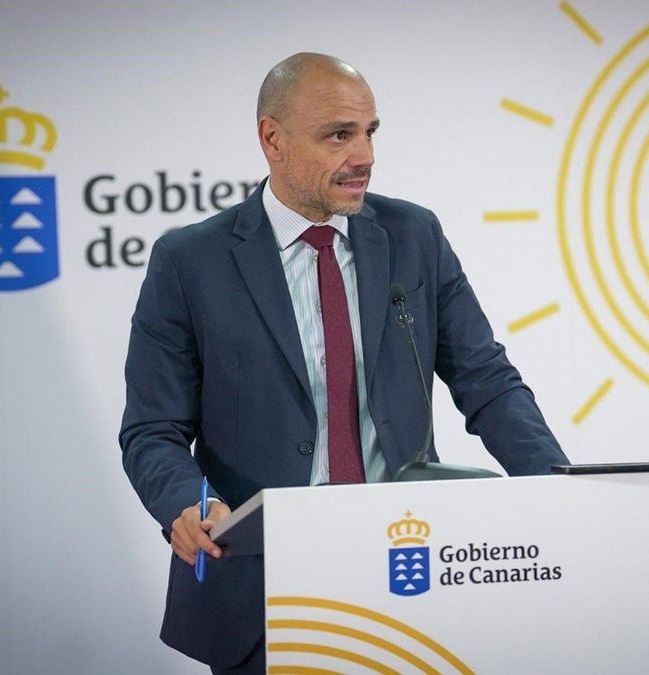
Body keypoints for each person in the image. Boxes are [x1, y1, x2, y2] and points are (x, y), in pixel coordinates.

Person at [119, 52, 569, 673]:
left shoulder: (414, 235)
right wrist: (189, 505)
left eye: (370, 132)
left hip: (412, 578)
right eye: (339, 135)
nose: (365, 156)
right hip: (262, 591)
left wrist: (557, 487)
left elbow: (486, 379)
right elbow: (152, 430)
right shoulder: (189, 262)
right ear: (272, 139)